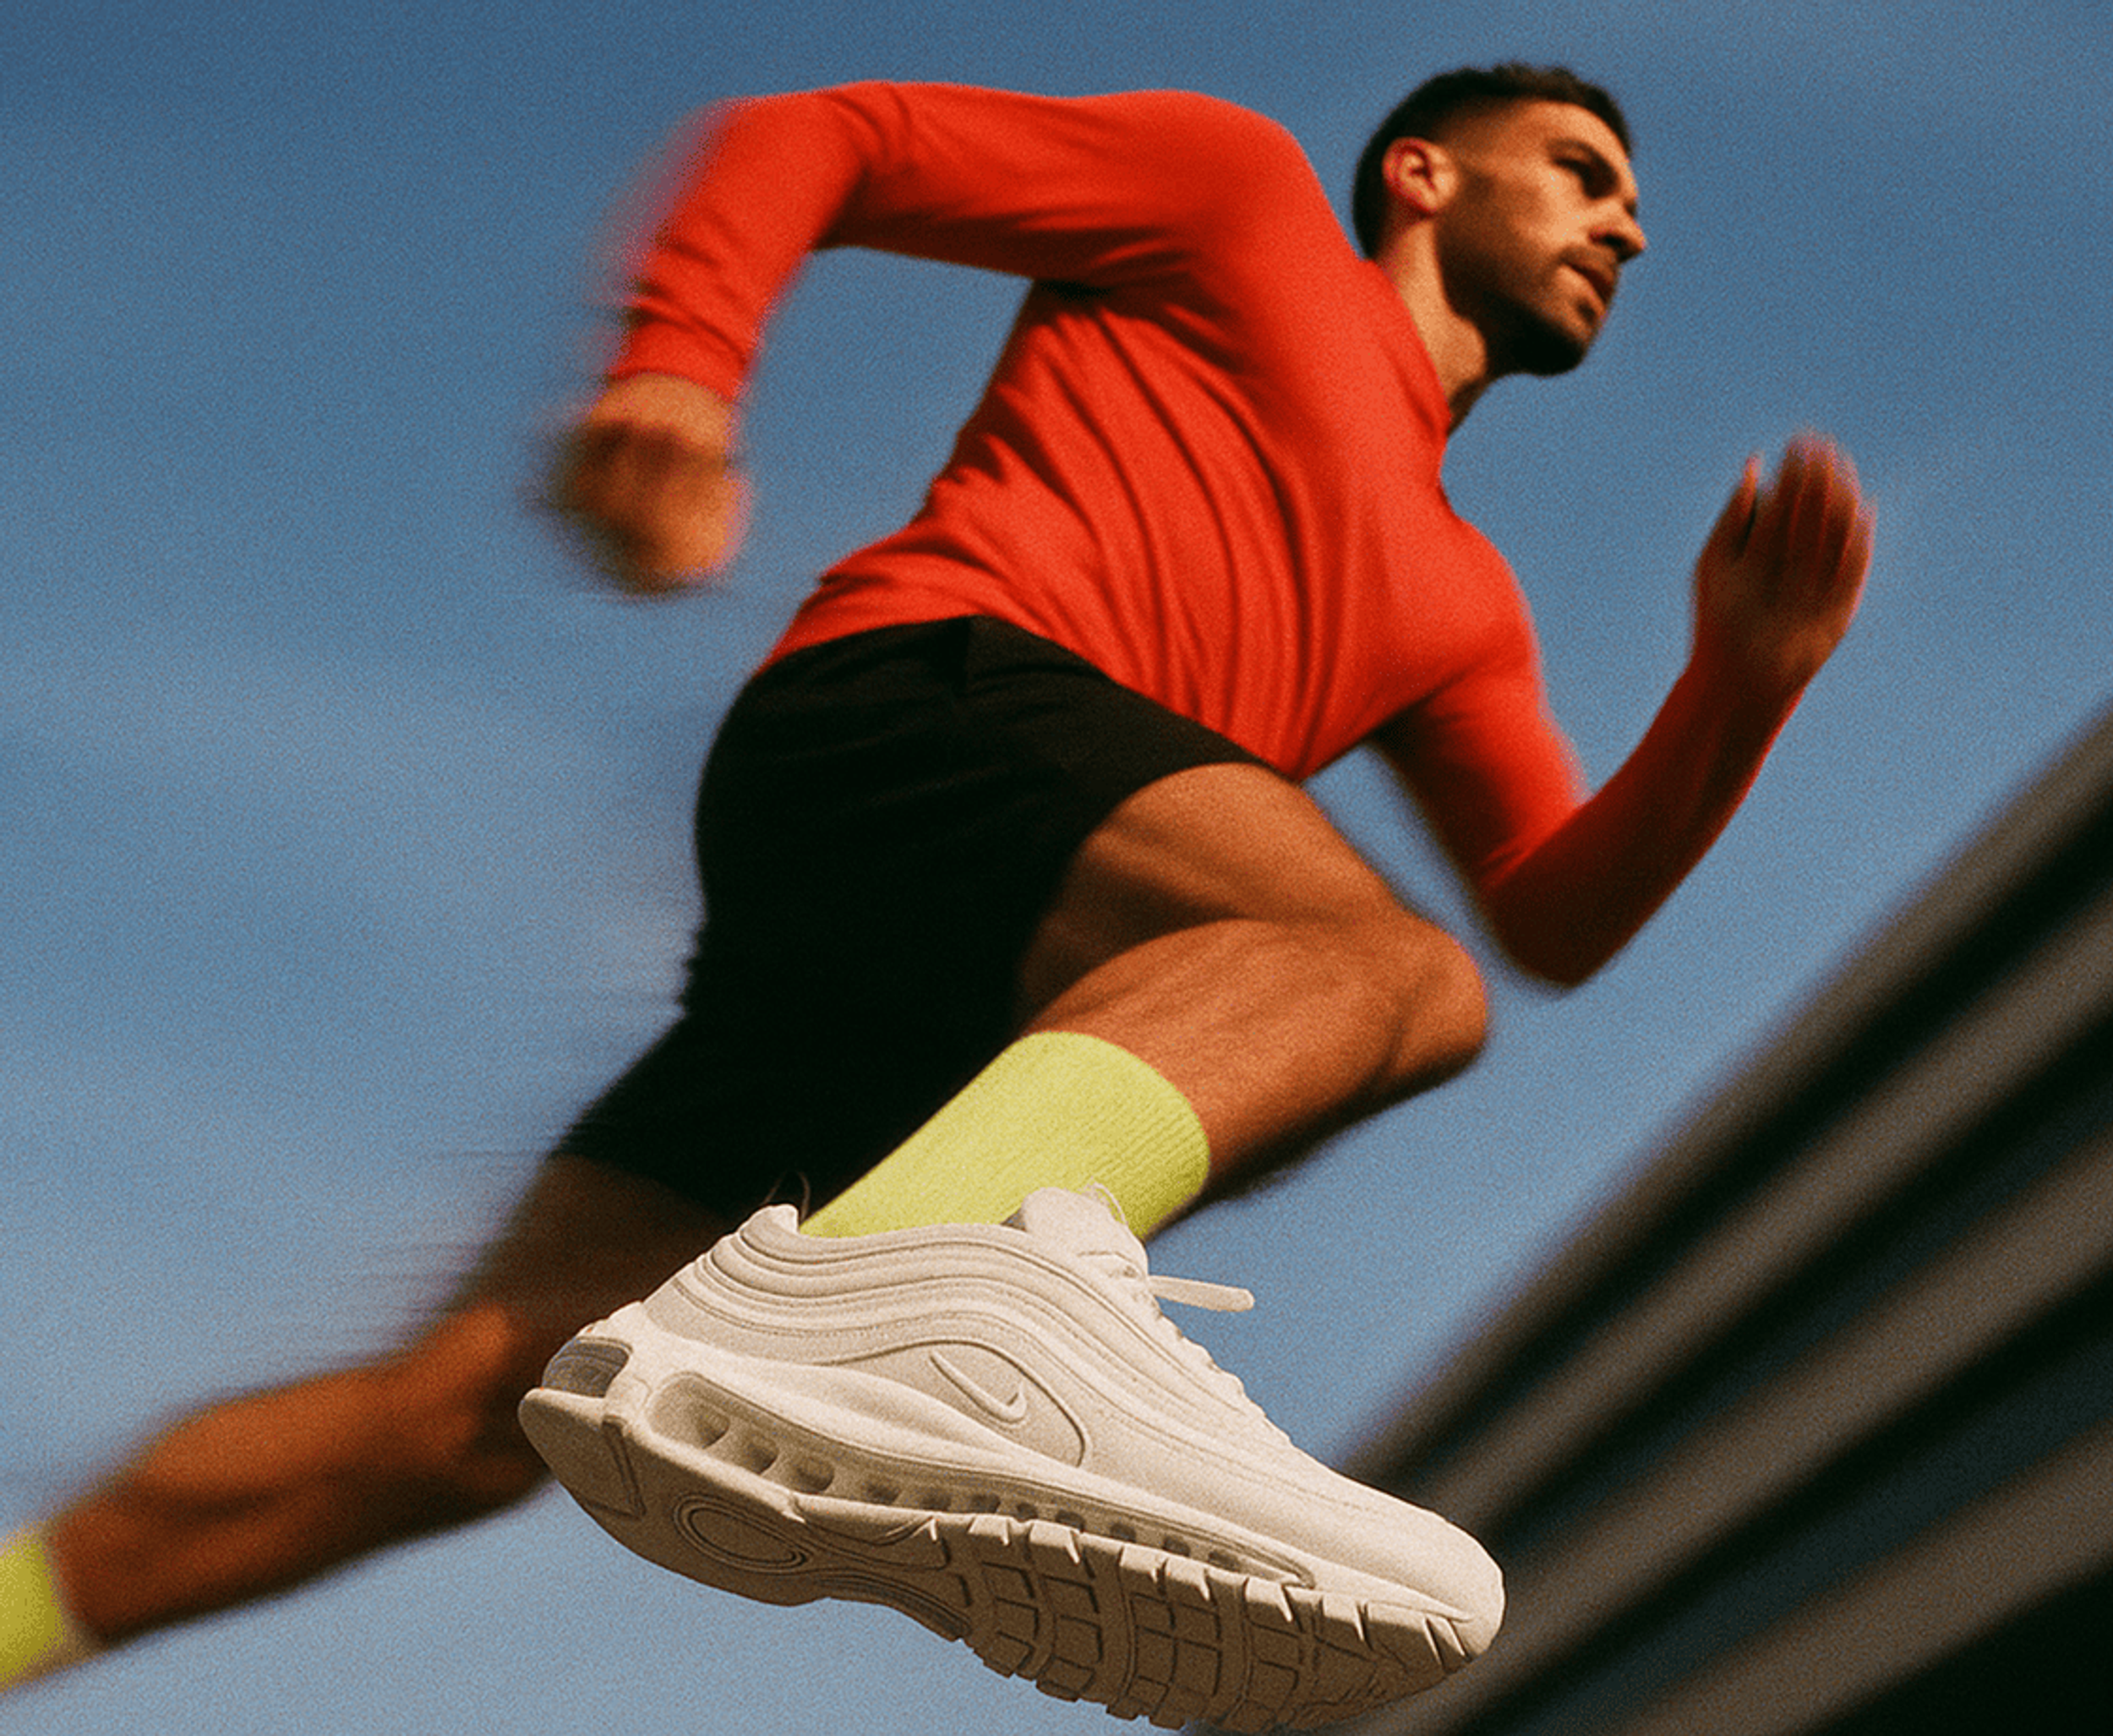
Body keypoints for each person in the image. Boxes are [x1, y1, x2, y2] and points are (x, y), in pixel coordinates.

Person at [2, 63, 1871, 1730]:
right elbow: (829, 133)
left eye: (1627, 198)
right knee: (1371, 967)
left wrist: (1737, 684)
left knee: (465, 1419)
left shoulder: (1461, 601)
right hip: (922, 708)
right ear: (1418, 177)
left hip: (969, 976)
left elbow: (1552, 908)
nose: (1625, 221)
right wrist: (678, 360)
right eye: (1577, 168)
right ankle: (922, 1286)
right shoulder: (1228, 200)